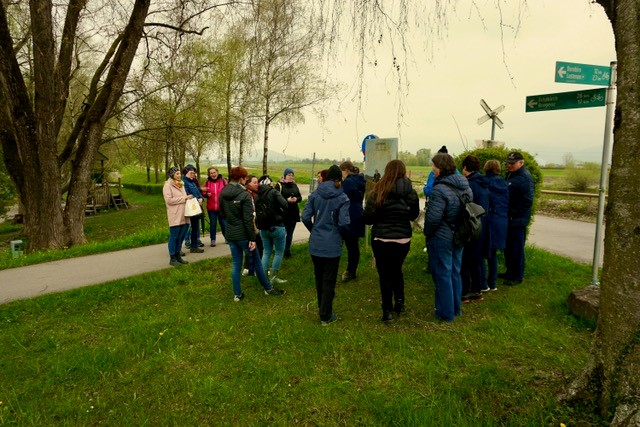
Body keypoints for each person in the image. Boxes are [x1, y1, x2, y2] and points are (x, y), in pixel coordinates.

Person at [364, 160, 419, 322]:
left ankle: (387, 311)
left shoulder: (378, 190)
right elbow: (414, 215)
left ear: (387, 171)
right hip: (403, 238)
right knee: (397, 269)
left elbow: (368, 218)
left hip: (381, 239)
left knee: (385, 274)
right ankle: (400, 303)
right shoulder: (410, 191)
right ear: (403, 171)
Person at [220, 166, 285, 301]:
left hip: (230, 233)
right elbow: (248, 219)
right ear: (242, 178)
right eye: (245, 178)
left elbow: (222, 213)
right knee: (257, 263)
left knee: (236, 264)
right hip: (244, 235)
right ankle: (268, 289)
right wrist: (252, 239)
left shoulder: (223, 192)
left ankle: (237, 294)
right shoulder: (244, 195)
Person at [424, 152, 472, 322]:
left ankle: (445, 313)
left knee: (442, 274)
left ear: (441, 168)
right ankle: (455, 308)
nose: (433, 169)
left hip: (442, 236)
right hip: (460, 233)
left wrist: (427, 233)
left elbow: (433, 218)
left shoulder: (439, 189)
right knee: (455, 272)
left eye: (434, 166)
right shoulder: (465, 186)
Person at [302, 165, 350, 326]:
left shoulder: (315, 194)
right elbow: (344, 223)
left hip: (316, 243)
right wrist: (340, 236)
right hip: (332, 245)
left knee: (319, 278)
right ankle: (325, 315)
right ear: (339, 180)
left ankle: (322, 307)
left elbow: (305, 217)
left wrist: (314, 230)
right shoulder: (342, 198)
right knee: (329, 280)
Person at [500, 151, 534, 285]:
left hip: (517, 219)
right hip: (510, 218)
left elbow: (527, 201)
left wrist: (512, 212)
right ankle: (510, 272)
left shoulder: (525, 178)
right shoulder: (511, 174)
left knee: (516, 248)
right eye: (508, 163)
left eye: (513, 163)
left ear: (521, 163)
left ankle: (517, 276)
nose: (509, 165)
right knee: (508, 247)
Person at [460, 155, 490, 302]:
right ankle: (478, 290)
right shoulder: (484, 182)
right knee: (476, 260)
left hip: (471, 224)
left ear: (465, 167)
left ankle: (464, 293)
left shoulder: (469, 184)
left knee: (465, 260)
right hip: (482, 223)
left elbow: (465, 205)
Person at [256, 175, 289, 284]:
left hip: (263, 227)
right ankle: (273, 278)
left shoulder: (258, 195)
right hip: (277, 226)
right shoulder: (274, 192)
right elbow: (285, 204)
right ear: (269, 183)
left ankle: (264, 278)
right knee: (278, 252)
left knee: (266, 252)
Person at [483, 160, 509, 291]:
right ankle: (492, 283)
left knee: (482, 251)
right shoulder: (504, 183)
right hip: (502, 219)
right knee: (493, 253)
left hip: (489, 218)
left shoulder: (485, 182)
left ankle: (482, 283)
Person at [339, 160, 366, 282]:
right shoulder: (360, 179)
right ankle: (352, 270)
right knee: (353, 245)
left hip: (349, 214)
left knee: (351, 246)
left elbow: (341, 197)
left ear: (345, 170)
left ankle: (350, 271)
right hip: (358, 213)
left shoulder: (349, 182)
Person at [162, 167, 191, 266]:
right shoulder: (167, 185)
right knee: (174, 237)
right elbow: (169, 201)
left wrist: (188, 198)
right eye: (177, 173)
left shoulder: (181, 184)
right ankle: (172, 258)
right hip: (175, 215)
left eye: (179, 173)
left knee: (181, 237)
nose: (179, 175)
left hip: (184, 214)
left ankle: (178, 256)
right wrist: (184, 198)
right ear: (172, 175)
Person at [276, 168, 302, 259]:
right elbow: (275, 199)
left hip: (293, 213)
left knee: (290, 234)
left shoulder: (294, 185)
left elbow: (300, 197)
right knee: (283, 234)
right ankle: (280, 251)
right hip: (283, 214)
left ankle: (287, 251)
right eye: (289, 175)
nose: (291, 176)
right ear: (284, 176)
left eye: (292, 175)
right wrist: (286, 200)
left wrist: (296, 199)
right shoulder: (279, 185)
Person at [242, 175, 263, 277]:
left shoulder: (255, 194)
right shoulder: (245, 194)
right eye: (254, 182)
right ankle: (254, 268)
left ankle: (248, 268)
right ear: (248, 183)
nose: (257, 184)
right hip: (250, 223)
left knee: (253, 246)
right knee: (256, 245)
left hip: (255, 222)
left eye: (257, 182)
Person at [182, 165, 205, 253]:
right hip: (189, 208)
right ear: (186, 173)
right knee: (186, 228)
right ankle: (179, 248)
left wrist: (201, 199)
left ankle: (194, 246)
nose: (193, 175)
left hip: (195, 208)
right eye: (191, 173)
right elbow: (187, 194)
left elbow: (199, 193)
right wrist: (196, 199)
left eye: (194, 173)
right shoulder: (184, 182)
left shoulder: (192, 182)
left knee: (195, 227)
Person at [202, 167, 227, 247]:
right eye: (211, 173)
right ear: (209, 174)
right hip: (211, 208)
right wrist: (206, 195)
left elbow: (228, 191)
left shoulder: (223, 181)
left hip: (222, 208)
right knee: (213, 224)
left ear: (217, 172)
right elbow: (203, 193)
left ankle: (227, 238)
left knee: (223, 224)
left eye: (214, 172)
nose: (213, 174)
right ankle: (213, 240)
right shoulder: (207, 182)